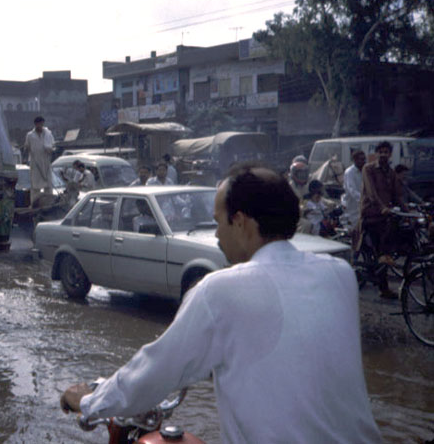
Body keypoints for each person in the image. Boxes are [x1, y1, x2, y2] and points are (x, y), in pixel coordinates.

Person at [61, 163, 381, 443]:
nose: (216, 235)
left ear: (240, 222)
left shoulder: (220, 290)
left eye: (218, 222)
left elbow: (153, 372)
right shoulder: (340, 276)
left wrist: (90, 401)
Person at [358, 140, 405, 299]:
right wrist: (382, 207)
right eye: (381, 152)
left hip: (385, 213)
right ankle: (383, 288)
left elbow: (397, 194)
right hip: (371, 213)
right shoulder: (368, 169)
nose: (384, 154)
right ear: (376, 153)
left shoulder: (390, 172)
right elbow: (371, 193)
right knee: (382, 251)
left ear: (390, 154)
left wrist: (408, 208)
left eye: (386, 152)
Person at [23, 116, 54, 206]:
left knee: (48, 186)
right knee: (35, 187)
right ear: (35, 124)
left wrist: (50, 149)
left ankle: (49, 204)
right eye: (38, 124)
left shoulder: (48, 133)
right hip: (35, 163)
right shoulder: (30, 135)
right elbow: (27, 147)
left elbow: (53, 145)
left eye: (42, 123)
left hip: (46, 163)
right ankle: (34, 205)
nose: (40, 125)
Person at [342, 149, 366, 228]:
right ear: (355, 160)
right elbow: (352, 190)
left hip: (363, 205)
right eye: (361, 159)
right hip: (352, 205)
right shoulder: (349, 172)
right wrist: (363, 199)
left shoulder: (365, 171)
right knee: (354, 228)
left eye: (364, 159)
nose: (363, 161)